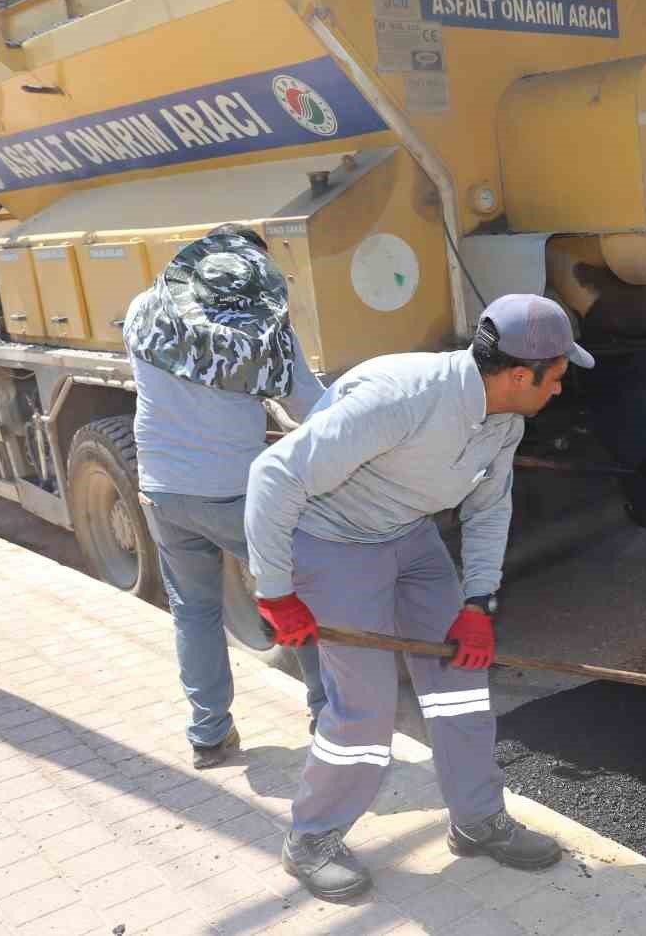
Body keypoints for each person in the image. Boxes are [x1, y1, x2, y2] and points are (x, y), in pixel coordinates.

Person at [245, 293, 592, 900]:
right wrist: (275, 591)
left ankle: (477, 820)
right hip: (333, 542)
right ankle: (313, 839)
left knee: (461, 680)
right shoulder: (402, 398)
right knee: (366, 706)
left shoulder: (506, 419)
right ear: (518, 373)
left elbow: (489, 509)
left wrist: (477, 604)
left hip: (410, 538)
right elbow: (273, 475)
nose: (560, 389)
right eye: (557, 377)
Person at [123, 224, 327, 770]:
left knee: (194, 614)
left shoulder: (145, 307)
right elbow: (307, 403)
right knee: (301, 589)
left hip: (162, 490)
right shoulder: (263, 329)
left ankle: (209, 734)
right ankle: (328, 713)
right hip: (233, 493)